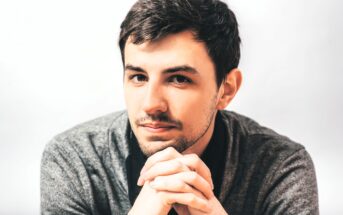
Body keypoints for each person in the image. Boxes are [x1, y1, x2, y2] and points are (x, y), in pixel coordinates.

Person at [40, 0, 319, 214]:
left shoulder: (280, 167)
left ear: (227, 89)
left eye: (178, 79)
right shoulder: (74, 160)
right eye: (138, 77)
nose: (151, 104)